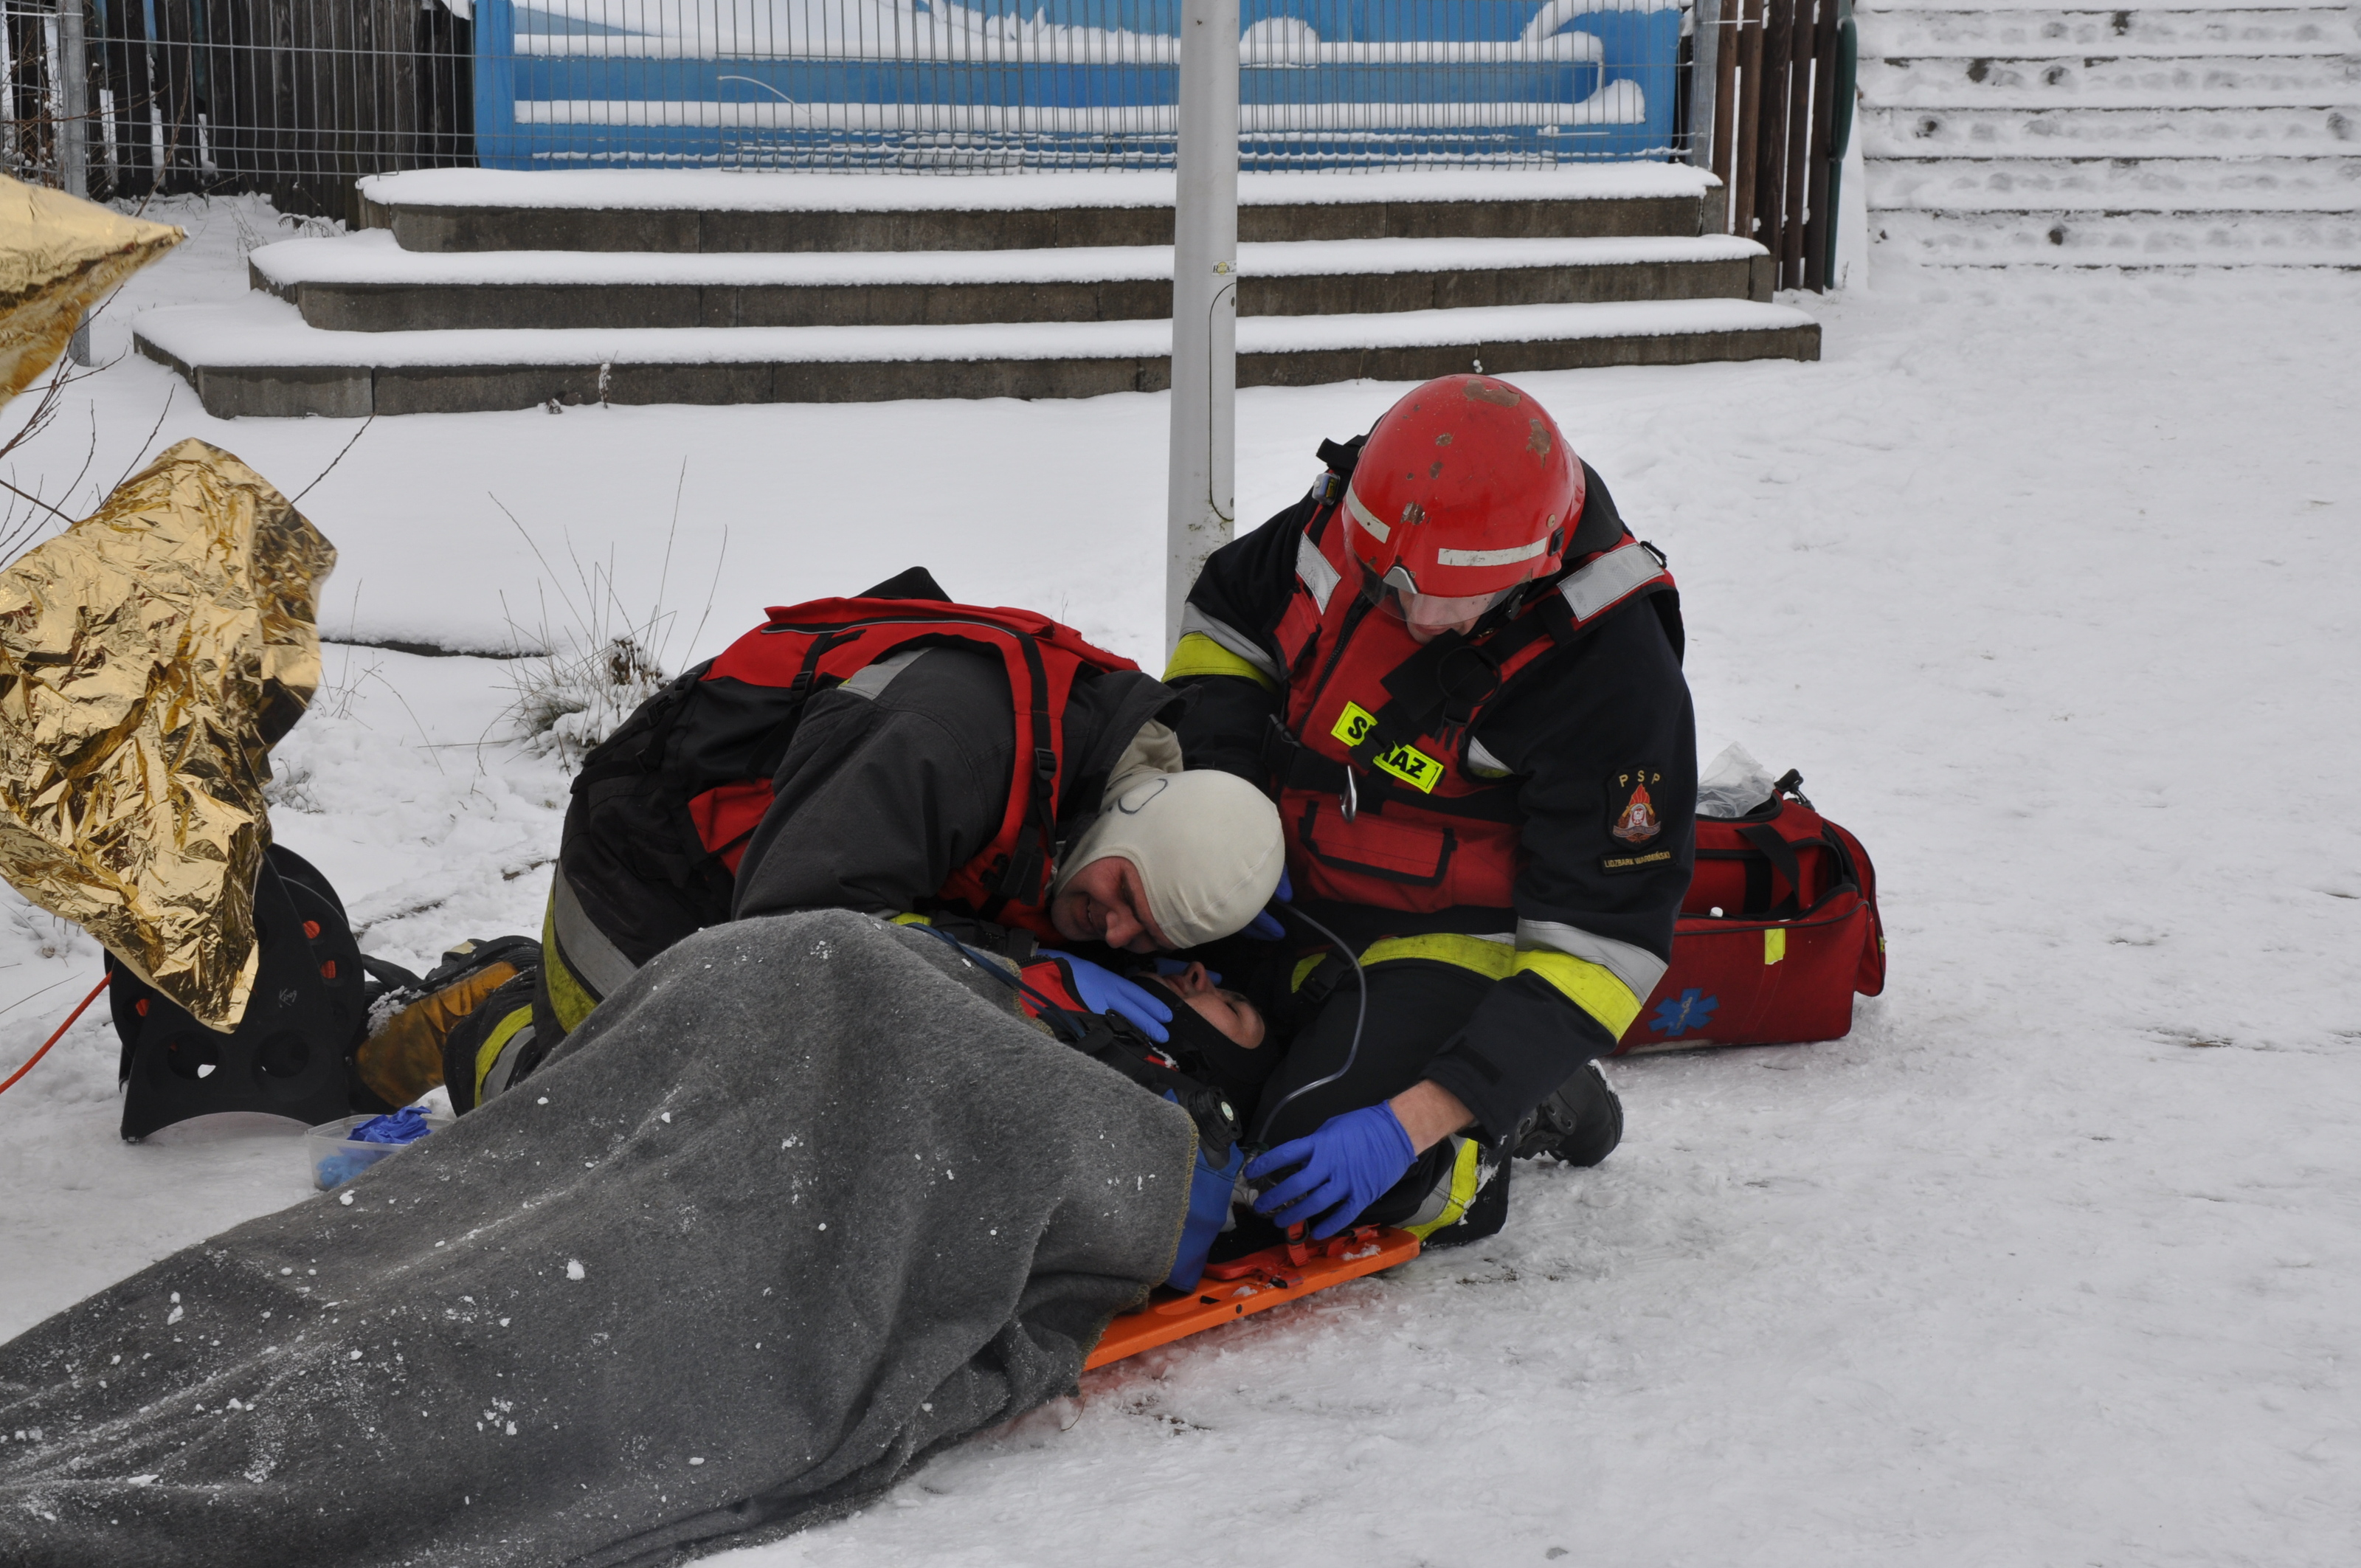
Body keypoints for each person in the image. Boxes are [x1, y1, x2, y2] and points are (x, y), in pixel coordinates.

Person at [1165, 375, 1697, 1248]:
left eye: (1446, 599)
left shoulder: (1614, 676)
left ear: (1532, 569)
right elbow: (1221, 633)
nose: (1410, 613)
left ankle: (1496, 1127)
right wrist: (1227, 812)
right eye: (1388, 583)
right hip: (1283, 890)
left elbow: (1602, 949)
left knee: (1287, 1182)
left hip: (1451, 947)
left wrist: (1409, 1123)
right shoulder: (1350, 520)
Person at [533, 569, 1287, 1071]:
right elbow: (796, 938)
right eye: (1124, 895)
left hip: (818, 866)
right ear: (1125, 816)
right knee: (595, 1127)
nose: (1118, 932)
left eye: (1148, 932)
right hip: (653, 861)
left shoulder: (1114, 818)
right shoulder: (942, 743)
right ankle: (482, 1001)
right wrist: (1015, 963)